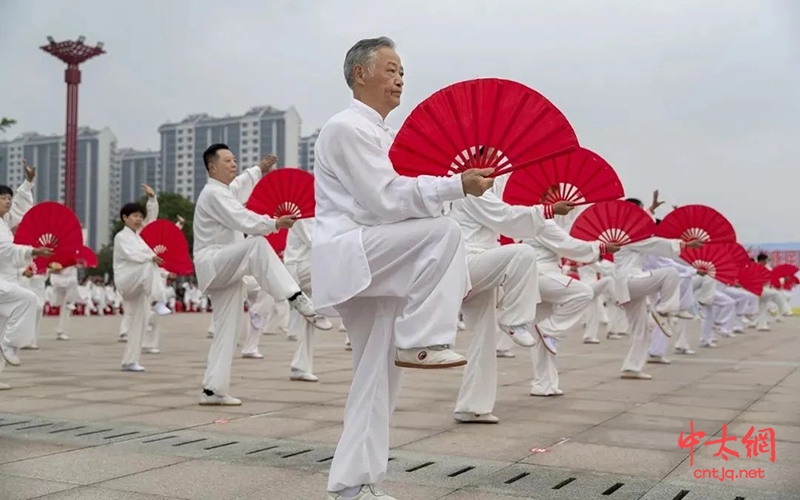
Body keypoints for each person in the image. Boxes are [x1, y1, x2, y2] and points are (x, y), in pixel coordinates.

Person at [314, 36, 493, 500]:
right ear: (360, 73)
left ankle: (354, 484)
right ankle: (423, 339)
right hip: (355, 250)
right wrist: (454, 186)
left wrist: (445, 192)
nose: (399, 78)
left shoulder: (382, 135)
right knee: (444, 233)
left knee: (376, 381)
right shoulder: (346, 127)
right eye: (390, 69)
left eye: (401, 72)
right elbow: (383, 199)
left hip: (378, 255)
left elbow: (398, 196)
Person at [193, 149, 316, 406]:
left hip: (224, 267)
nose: (233, 164)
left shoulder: (224, 192)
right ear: (212, 167)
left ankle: (213, 389)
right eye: (227, 161)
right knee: (256, 245)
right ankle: (294, 294)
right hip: (215, 261)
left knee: (228, 331)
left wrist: (258, 169)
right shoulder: (214, 194)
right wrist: (274, 223)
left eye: (235, 160)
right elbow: (242, 218)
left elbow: (239, 186)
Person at [448, 170, 574, 421]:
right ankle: (514, 319)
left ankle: (473, 406)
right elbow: (505, 218)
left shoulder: (491, 185)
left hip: (482, 261)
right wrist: (547, 210)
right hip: (467, 260)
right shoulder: (473, 188)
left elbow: (506, 205)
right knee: (522, 254)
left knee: (484, 338)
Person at [0, 161, 51, 382]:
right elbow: (6, 249)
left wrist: (28, 182)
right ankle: (11, 344)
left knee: (2, 325)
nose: (8, 202)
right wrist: (34, 251)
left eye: (8, 198)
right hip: (2, 281)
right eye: (2, 198)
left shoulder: (6, 220)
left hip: (8, 279)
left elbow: (23, 211)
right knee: (29, 299)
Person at [113, 200, 170, 372]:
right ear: (125, 218)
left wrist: (152, 201)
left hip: (140, 284)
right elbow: (133, 255)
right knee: (148, 264)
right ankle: (158, 301)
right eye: (135, 216)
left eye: (140, 216)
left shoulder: (139, 238)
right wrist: (151, 257)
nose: (138, 219)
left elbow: (148, 250)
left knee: (140, 321)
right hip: (126, 281)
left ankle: (130, 361)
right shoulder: (121, 237)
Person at [284, 217, 333, 382]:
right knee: (336, 267)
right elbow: (314, 240)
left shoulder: (314, 215)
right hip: (298, 267)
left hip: (308, 265)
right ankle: (320, 307)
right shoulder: (299, 216)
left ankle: (301, 366)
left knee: (308, 324)